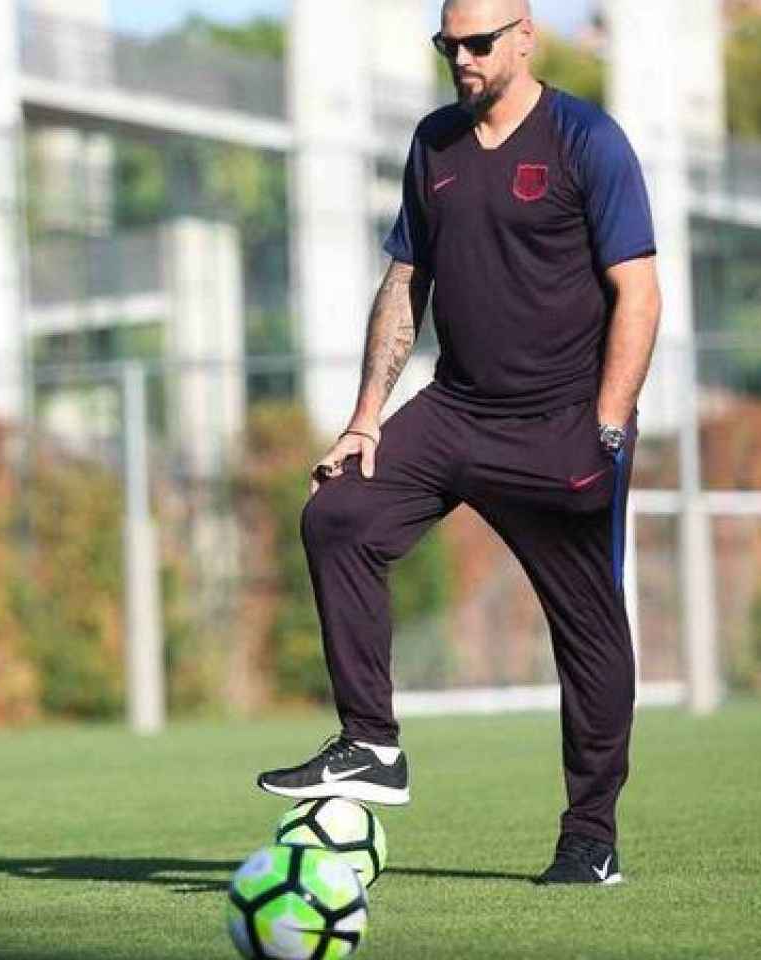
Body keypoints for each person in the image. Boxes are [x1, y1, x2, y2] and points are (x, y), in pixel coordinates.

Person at [254, 0, 662, 886]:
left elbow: (639, 293)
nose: (463, 58)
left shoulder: (587, 140)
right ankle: (370, 743)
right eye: (449, 44)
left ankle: (590, 835)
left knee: (589, 632)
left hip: (562, 422)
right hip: (457, 410)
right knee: (339, 514)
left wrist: (609, 421)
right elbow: (405, 284)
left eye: (479, 42)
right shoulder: (433, 145)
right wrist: (366, 416)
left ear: (525, 37)